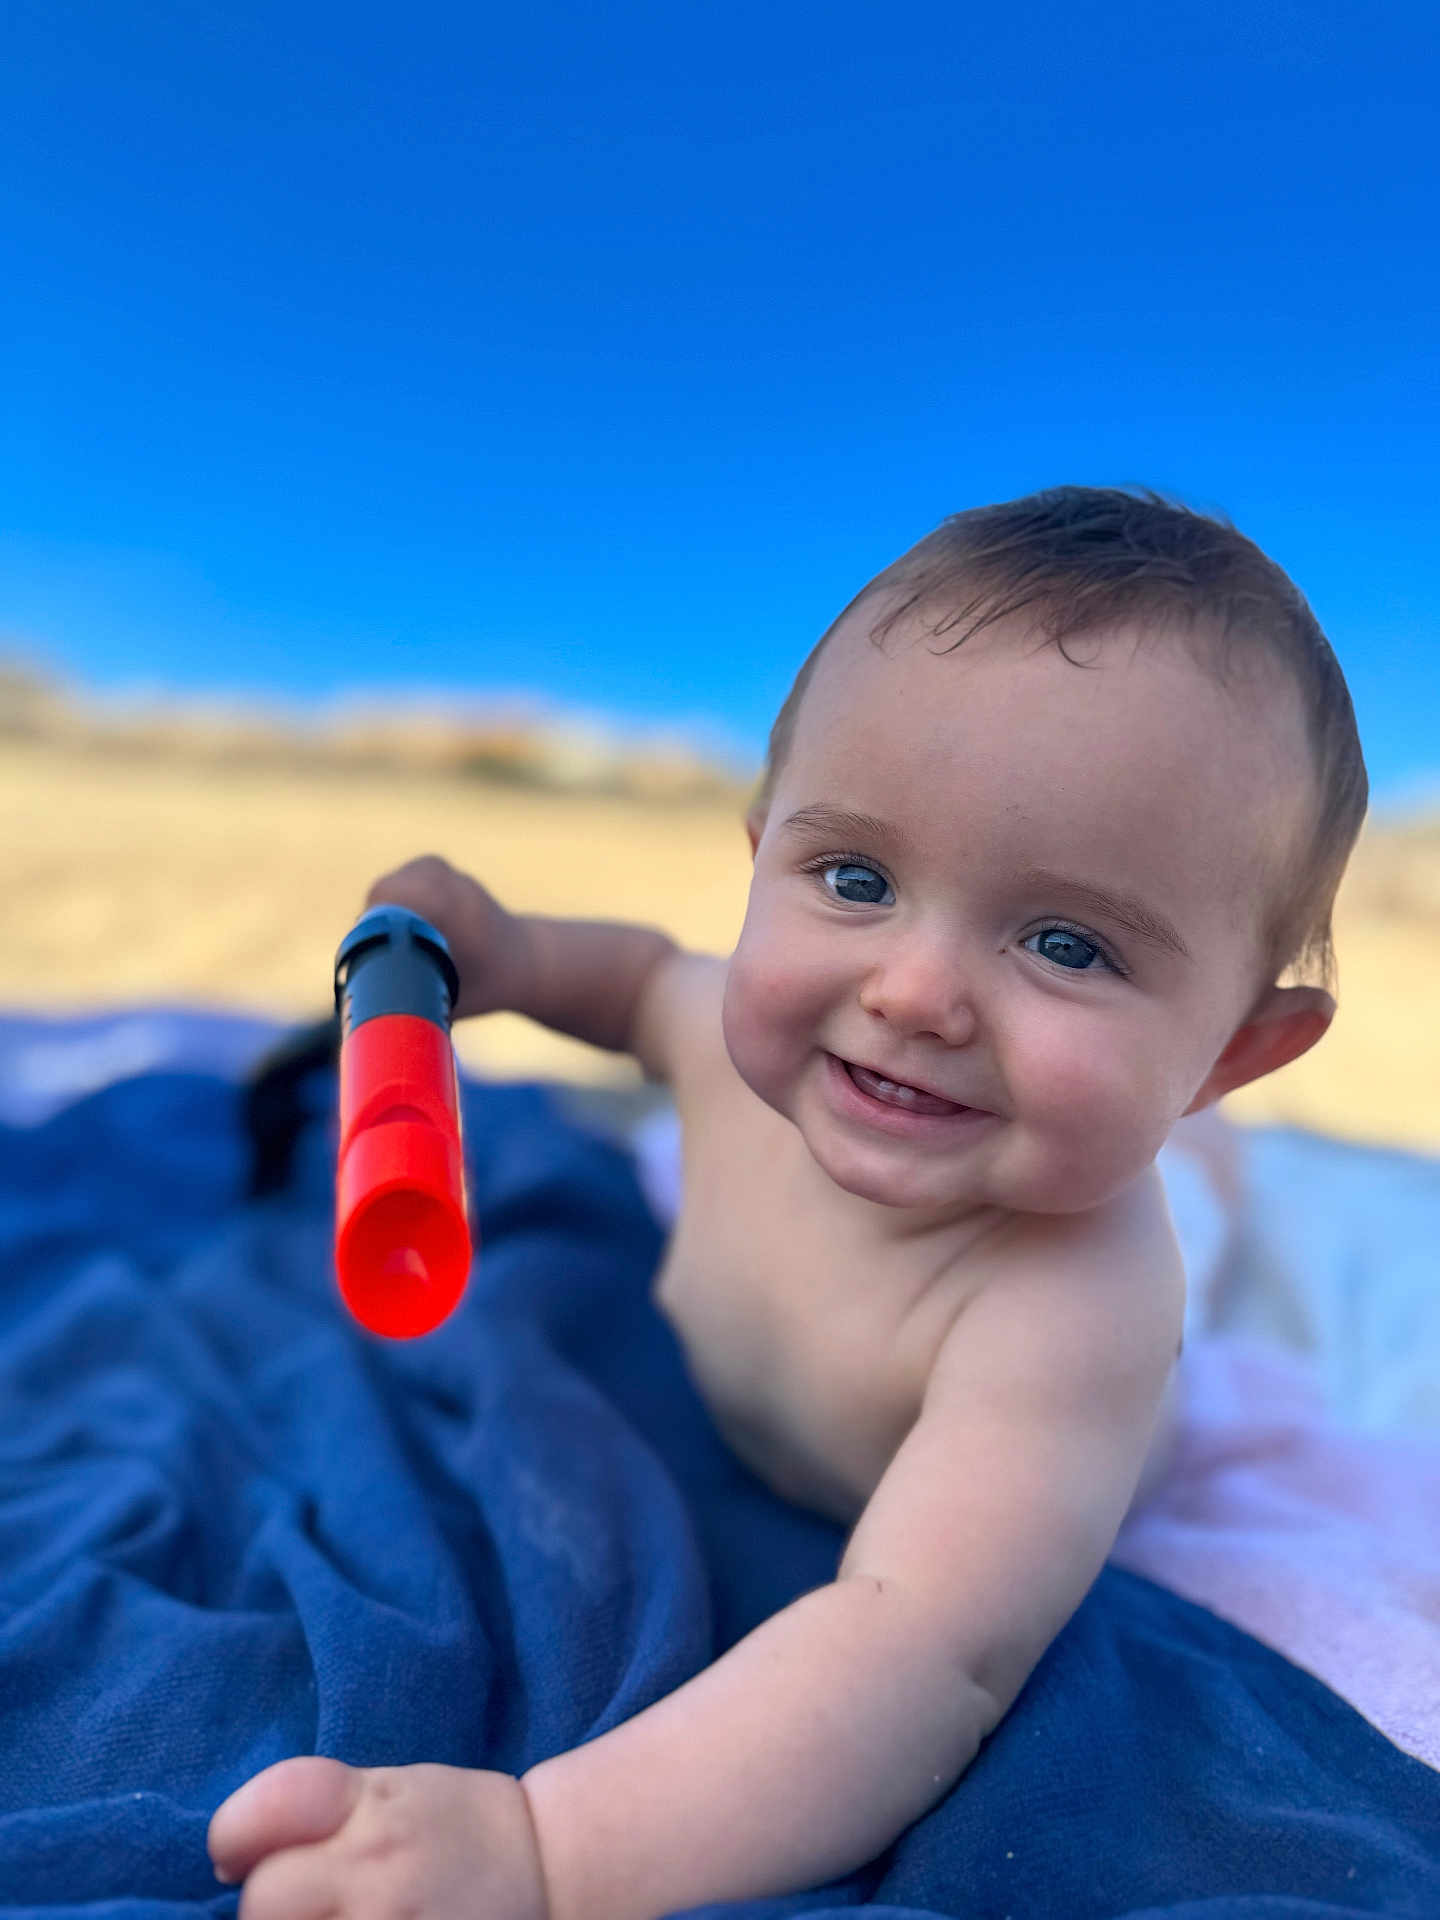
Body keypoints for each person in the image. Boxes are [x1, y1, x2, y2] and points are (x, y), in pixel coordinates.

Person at [208, 486, 1368, 1920]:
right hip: (759, 1398)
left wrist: (550, 1850)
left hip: (985, 1483)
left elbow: (912, 1654)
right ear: (760, 856)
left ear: (1238, 1051)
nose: (913, 992)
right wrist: (501, 952)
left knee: (1208, 1245)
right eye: (857, 877)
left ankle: (1220, 1185)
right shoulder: (743, 1043)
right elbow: (639, 983)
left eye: (1068, 944)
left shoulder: (1072, 1305)